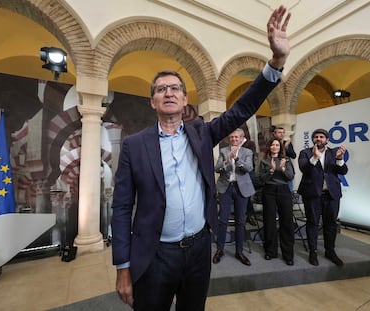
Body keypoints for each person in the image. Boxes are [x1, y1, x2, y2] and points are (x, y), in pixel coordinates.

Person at [111, 6, 291, 310]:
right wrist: (122, 267)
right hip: (155, 255)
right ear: (152, 100)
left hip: (197, 250)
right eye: (161, 89)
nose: (168, 92)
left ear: (184, 99)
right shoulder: (134, 146)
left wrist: (276, 61)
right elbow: (121, 207)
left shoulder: (201, 133)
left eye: (175, 88)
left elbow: (241, 109)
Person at [298, 128, 348, 267]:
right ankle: (313, 252)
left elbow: (343, 171)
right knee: (313, 223)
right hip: (312, 194)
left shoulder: (333, 153)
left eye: (321, 137)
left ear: (327, 140)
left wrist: (339, 159)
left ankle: (330, 251)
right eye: (316, 137)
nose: (318, 139)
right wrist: (314, 157)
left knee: (331, 224)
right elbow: (304, 168)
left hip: (331, 195)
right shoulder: (305, 153)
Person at [212, 128, 254, 266]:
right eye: (232, 137)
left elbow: (249, 168)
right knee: (222, 220)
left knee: (240, 221)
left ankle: (239, 251)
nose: (234, 140)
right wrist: (226, 161)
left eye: (236, 137)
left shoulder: (247, 152)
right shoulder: (224, 151)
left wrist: (237, 159)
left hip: (242, 189)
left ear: (241, 138)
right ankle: (220, 249)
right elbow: (216, 168)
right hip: (226, 187)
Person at [259, 138, 295, 265]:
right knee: (269, 222)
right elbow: (260, 179)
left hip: (284, 190)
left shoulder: (287, 160)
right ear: (269, 147)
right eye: (272, 145)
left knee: (287, 222)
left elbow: (291, 177)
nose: (274, 147)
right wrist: (272, 170)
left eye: (277, 145)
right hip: (268, 191)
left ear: (280, 147)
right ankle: (270, 251)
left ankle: (288, 255)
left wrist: (283, 168)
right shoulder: (264, 161)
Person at [272, 126, 296, 191]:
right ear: (274, 134)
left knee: (289, 192)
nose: (282, 134)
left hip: (286, 170)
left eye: (283, 132)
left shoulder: (287, 143)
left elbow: (293, 155)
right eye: (279, 132)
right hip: (275, 171)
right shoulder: (271, 143)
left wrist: (286, 147)